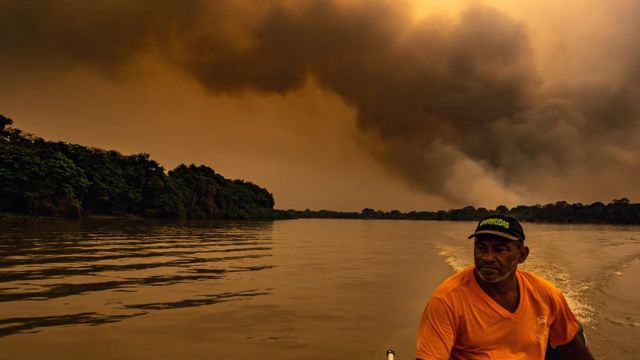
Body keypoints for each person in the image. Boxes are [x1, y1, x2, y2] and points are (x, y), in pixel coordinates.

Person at [416, 215, 595, 360]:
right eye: (481, 248)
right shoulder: (447, 300)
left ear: (522, 255)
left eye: (500, 250)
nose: (487, 257)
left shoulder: (545, 293)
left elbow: (571, 346)